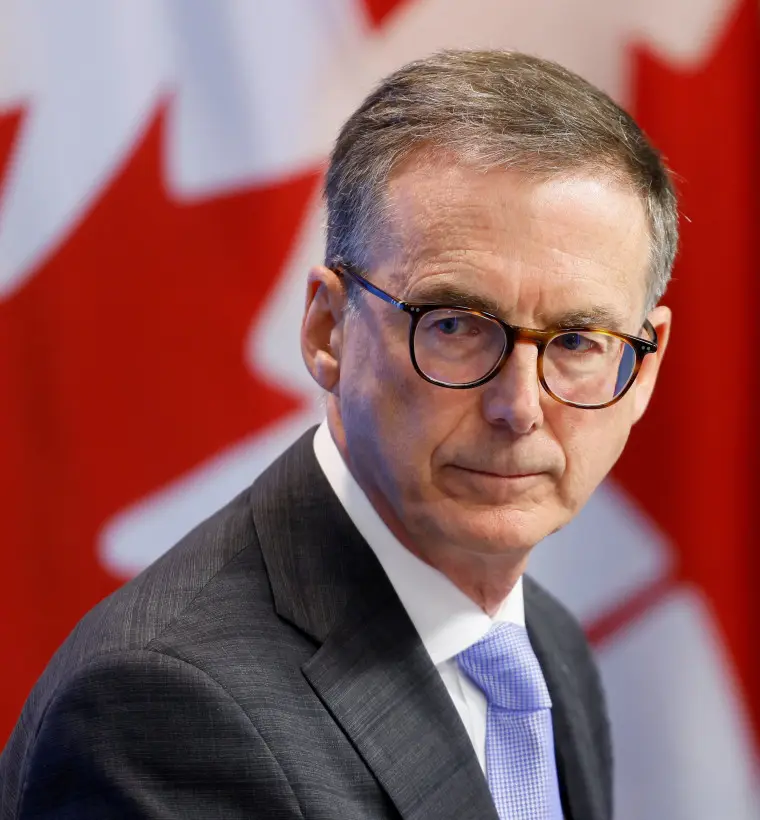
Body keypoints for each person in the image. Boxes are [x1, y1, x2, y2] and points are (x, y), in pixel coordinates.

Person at [0, 49, 675, 820]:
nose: (518, 407)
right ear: (328, 329)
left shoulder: (542, 645)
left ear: (644, 365)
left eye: (580, 341)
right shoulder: (163, 709)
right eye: (453, 324)